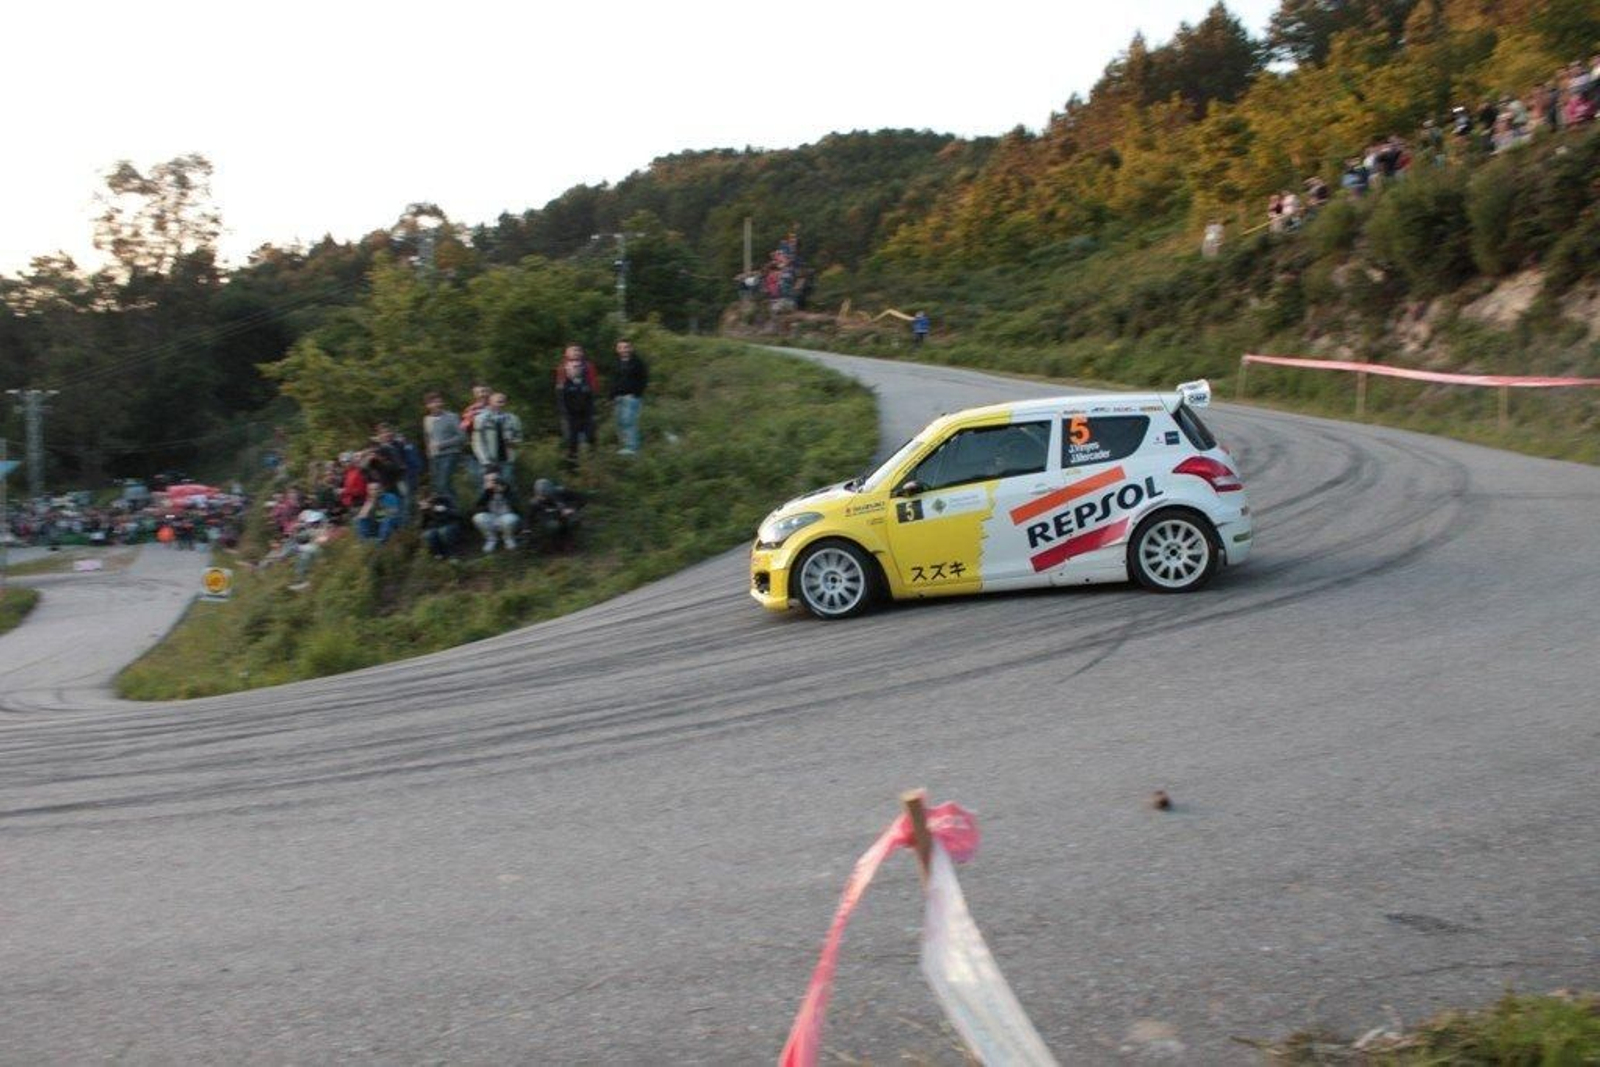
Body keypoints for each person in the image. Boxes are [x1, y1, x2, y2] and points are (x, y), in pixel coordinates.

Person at [555, 344, 598, 467]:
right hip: (570, 417)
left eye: (578, 368)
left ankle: (592, 465)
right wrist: (566, 416)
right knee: (571, 442)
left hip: (585, 415)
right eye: (572, 368)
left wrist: (591, 414)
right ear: (567, 369)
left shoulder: (586, 384)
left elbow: (591, 399)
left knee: (591, 438)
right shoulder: (563, 385)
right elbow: (561, 402)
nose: (575, 369)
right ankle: (572, 467)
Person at [471, 392, 523, 487]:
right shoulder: (480, 419)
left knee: (507, 486)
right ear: (490, 402)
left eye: (503, 401)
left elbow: (519, 438)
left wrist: (513, 442)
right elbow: (477, 442)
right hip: (489, 461)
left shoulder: (513, 419)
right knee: (489, 488)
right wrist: (485, 461)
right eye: (499, 401)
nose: (502, 404)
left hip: (507, 460)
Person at [422, 391, 466, 502]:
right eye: (433, 402)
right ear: (428, 405)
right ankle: (446, 510)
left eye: (439, 401)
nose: (437, 404)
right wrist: (429, 452)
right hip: (434, 456)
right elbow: (428, 437)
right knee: (438, 485)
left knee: (444, 482)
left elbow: (461, 437)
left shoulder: (452, 417)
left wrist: (442, 444)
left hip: (450, 454)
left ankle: (453, 512)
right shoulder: (426, 419)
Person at [611, 339, 649, 455]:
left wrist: (636, 393)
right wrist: (612, 395)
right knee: (620, 422)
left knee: (629, 422)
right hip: (618, 397)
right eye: (621, 347)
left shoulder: (637, 362)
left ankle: (633, 448)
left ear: (631, 348)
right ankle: (624, 447)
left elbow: (644, 379)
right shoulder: (616, 363)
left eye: (626, 347)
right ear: (617, 350)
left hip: (631, 398)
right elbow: (613, 380)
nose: (624, 350)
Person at [527, 477, 585, 552]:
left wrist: (572, 509)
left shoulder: (562, 492)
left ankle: (569, 540)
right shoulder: (535, 502)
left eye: (546, 495)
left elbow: (581, 499)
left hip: (564, 517)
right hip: (549, 521)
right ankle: (553, 543)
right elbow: (529, 517)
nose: (543, 498)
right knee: (553, 526)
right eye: (541, 496)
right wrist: (527, 529)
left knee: (573, 520)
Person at [471, 470, 520, 552]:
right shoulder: (486, 492)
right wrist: (487, 493)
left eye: (494, 480)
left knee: (510, 520)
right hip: (492, 518)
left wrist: (505, 492)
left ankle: (508, 538)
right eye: (488, 481)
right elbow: (475, 508)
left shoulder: (508, 489)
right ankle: (491, 539)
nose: (493, 483)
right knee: (478, 517)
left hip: (506, 516)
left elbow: (517, 507)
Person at [419, 492, 465, 559]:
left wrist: (445, 510)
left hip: (451, 524)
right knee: (428, 534)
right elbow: (423, 526)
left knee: (443, 531)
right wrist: (424, 513)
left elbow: (457, 514)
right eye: (426, 500)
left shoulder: (445, 500)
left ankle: (453, 554)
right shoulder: (427, 509)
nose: (429, 500)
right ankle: (439, 555)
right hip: (437, 528)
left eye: (429, 497)